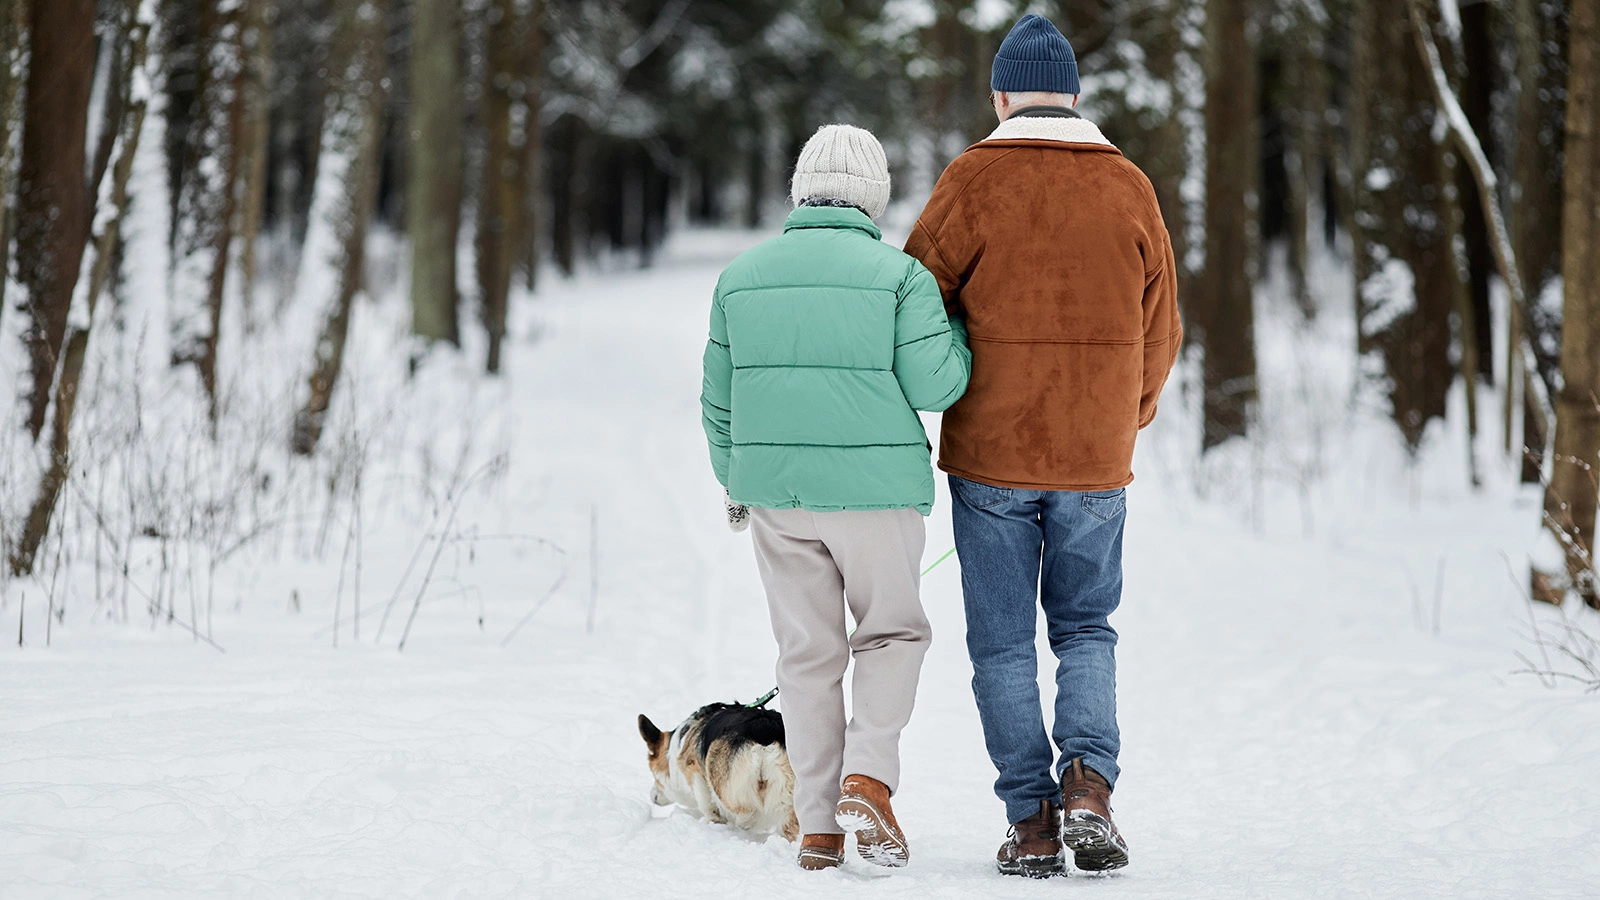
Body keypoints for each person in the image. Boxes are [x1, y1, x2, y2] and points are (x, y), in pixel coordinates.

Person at [902, 13, 1182, 878]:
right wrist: (1121, 417)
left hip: (991, 454)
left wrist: (942, 389)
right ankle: (1090, 789)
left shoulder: (972, 179)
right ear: (1073, 98)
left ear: (1001, 96)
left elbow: (915, 301)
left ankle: (1030, 820)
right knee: (1087, 627)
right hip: (1095, 459)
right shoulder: (1128, 186)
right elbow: (1163, 325)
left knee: (1001, 644)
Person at [700, 124, 971, 871]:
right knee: (891, 635)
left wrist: (736, 482)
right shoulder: (900, 278)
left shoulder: (741, 277)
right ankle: (868, 776)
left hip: (778, 501)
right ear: (874, 198)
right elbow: (939, 385)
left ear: (800, 190)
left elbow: (717, 401)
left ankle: (818, 827)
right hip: (876, 497)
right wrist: (955, 328)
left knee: (807, 658)